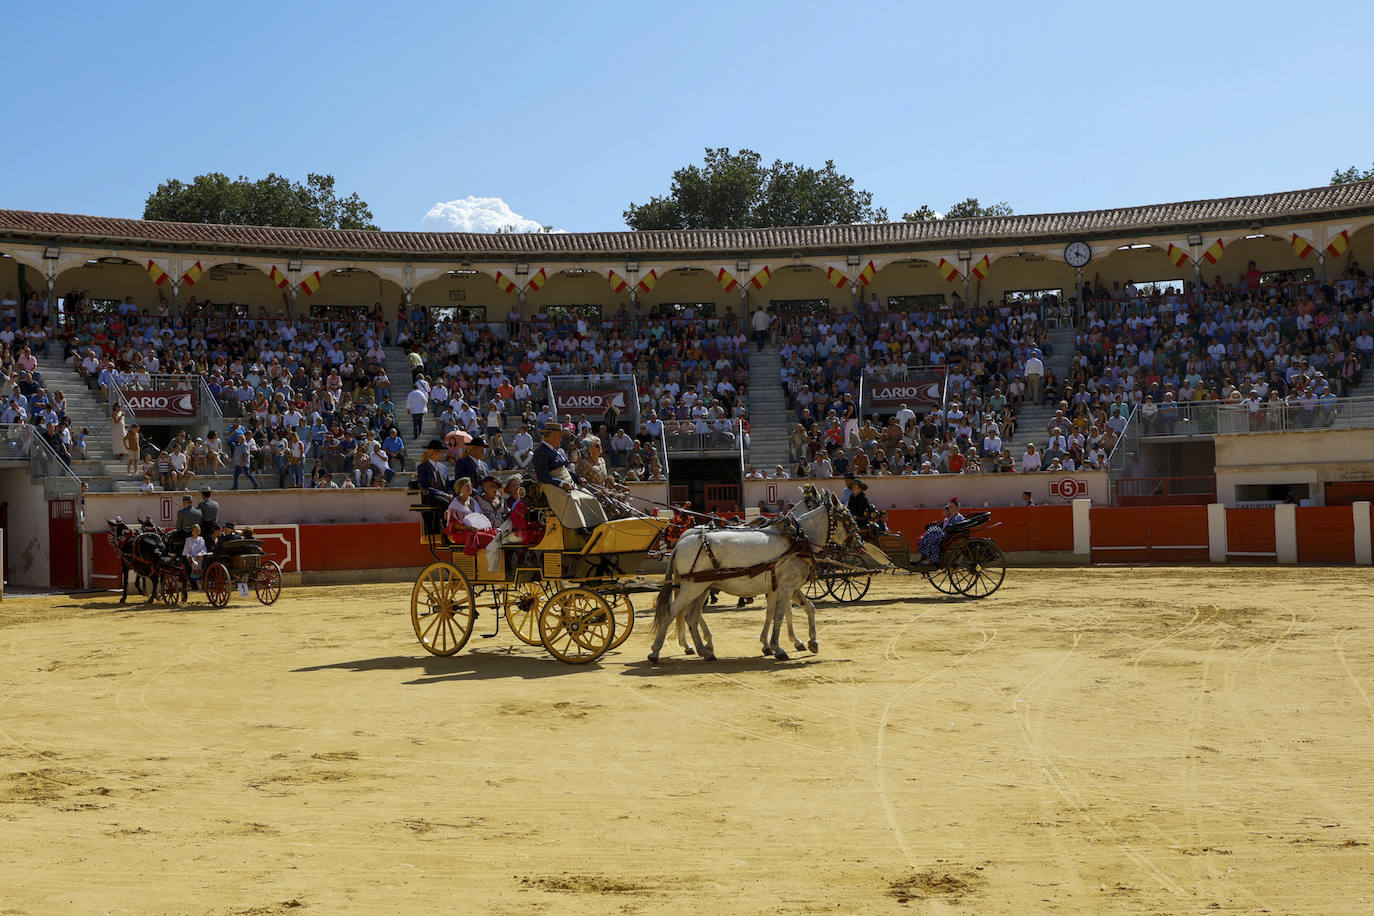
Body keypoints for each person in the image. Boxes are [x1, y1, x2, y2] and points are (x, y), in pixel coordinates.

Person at [532, 419, 606, 531]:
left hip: (567, 481)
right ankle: (581, 529)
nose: (561, 439)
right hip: (552, 485)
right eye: (560, 436)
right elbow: (543, 476)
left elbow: (565, 469)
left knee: (590, 497)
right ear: (553, 436)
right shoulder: (540, 452)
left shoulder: (557, 450)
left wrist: (577, 478)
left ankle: (599, 526)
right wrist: (561, 484)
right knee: (572, 500)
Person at [918, 498, 965, 563]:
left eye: (951, 507)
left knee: (932, 532)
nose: (950, 509)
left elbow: (953, 528)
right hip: (945, 534)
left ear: (957, 508)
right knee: (929, 535)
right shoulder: (951, 517)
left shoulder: (958, 517)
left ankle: (930, 558)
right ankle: (926, 556)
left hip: (949, 536)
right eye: (949, 507)